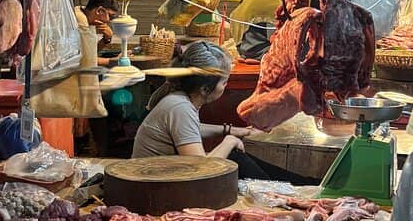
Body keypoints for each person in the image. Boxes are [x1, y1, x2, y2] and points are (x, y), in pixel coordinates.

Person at [132, 40, 313, 184]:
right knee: (234, 158)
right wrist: (230, 140)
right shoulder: (180, 107)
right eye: (224, 82)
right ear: (204, 89)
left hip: (166, 181)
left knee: (238, 158)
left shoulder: (179, 99)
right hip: (158, 189)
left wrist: (231, 130)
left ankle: (304, 183)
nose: (225, 86)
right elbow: (201, 169)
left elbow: (190, 130)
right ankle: (299, 186)